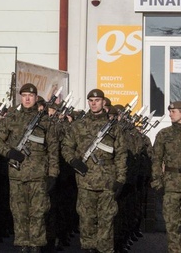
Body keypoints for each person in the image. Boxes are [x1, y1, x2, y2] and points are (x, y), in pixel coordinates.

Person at [0, 83, 59, 253]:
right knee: (19, 213)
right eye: (24, 95)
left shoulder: (45, 121)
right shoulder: (12, 117)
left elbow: (52, 150)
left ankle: (35, 247)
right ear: (20, 97)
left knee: (38, 214)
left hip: (39, 176)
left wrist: (53, 174)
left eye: (31, 95)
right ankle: (22, 246)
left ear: (36, 98)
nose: (27, 98)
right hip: (17, 174)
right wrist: (9, 153)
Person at [61, 88, 126, 253]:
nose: (94, 103)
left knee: (106, 220)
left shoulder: (114, 128)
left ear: (103, 102)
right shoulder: (78, 125)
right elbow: (66, 147)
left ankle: (104, 250)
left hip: (107, 181)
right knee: (86, 219)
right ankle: (88, 249)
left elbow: (121, 155)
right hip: (85, 180)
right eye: (91, 100)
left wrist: (120, 179)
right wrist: (74, 161)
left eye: (97, 100)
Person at [152, 101, 181, 253]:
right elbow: (156, 160)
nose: (170, 114)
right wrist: (157, 182)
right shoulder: (164, 134)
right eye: (170, 111)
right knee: (172, 225)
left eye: (173, 111)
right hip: (170, 185)